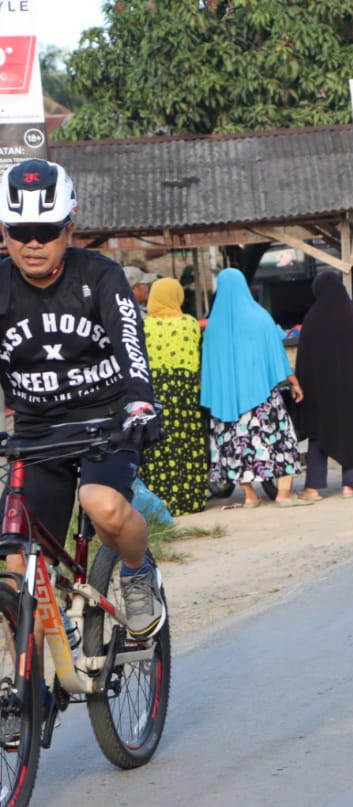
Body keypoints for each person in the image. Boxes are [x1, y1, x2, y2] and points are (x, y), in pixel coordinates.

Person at [0, 158, 166, 640]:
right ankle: (30, 694)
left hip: (107, 422)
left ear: (69, 228)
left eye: (46, 231)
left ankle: (137, 571)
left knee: (103, 505)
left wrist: (140, 400)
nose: (33, 243)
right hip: (36, 430)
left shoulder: (101, 276)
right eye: (20, 230)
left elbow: (130, 341)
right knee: (15, 557)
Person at [201, 268, 307, 508]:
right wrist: (294, 381)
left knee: (235, 446)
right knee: (280, 440)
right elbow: (276, 354)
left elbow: (209, 367)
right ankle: (284, 494)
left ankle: (250, 495)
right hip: (262, 398)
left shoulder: (213, 328)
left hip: (227, 402)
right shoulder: (260, 318)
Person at [293, 270, 353, 501]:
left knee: (319, 435)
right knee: (350, 432)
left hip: (321, 393)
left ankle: (313, 488)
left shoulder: (313, 319)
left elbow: (303, 360)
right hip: (352, 391)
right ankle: (349, 486)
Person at [139, 277, 208, 516]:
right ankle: (190, 499)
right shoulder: (189, 324)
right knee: (186, 442)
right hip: (184, 394)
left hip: (154, 392)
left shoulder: (143, 327)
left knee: (158, 446)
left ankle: (161, 502)